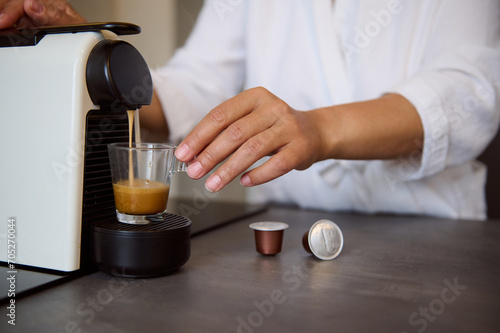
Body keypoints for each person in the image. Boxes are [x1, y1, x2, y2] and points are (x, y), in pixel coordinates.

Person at [1, 0, 499, 220]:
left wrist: (319, 129)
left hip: (434, 229)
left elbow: (468, 91)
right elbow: (195, 84)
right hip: (293, 225)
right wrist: (93, 56)